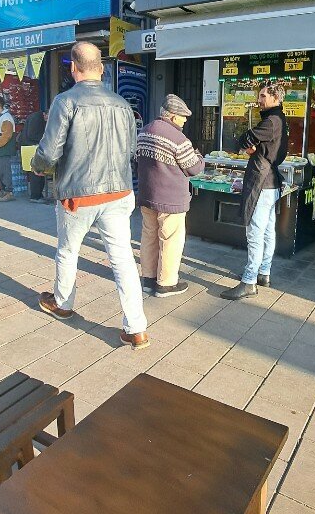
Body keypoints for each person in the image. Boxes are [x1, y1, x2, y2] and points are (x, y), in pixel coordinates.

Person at [31, 42, 148, 349]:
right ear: (102, 68)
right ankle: (136, 328)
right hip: (119, 192)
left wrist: (37, 167)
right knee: (122, 260)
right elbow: (131, 151)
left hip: (78, 195)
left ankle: (63, 303)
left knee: (68, 251)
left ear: (73, 67)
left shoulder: (65, 101)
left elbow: (49, 152)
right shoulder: (122, 104)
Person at [221, 82, 288, 300]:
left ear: (275, 98)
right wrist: (255, 149)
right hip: (271, 182)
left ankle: (249, 281)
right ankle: (264, 273)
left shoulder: (271, 121)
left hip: (262, 183)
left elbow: (244, 139)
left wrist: (249, 146)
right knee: (267, 231)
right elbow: (265, 148)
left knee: (255, 234)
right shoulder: (279, 119)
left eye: (263, 96)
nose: (259, 100)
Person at [136, 94, 204, 298]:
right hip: (170, 200)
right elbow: (194, 168)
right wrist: (199, 156)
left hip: (147, 195)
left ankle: (148, 279)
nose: (184, 121)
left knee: (149, 236)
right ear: (173, 116)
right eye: (183, 117)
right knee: (170, 239)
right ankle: (166, 284)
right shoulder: (178, 139)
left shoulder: (144, 131)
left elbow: (135, 158)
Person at [17, 108, 48, 203]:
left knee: (37, 172)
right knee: (35, 172)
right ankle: (35, 196)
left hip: (30, 147)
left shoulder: (36, 117)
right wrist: (46, 140)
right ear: (45, 114)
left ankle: (38, 194)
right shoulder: (36, 119)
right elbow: (32, 135)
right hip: (30, 148)